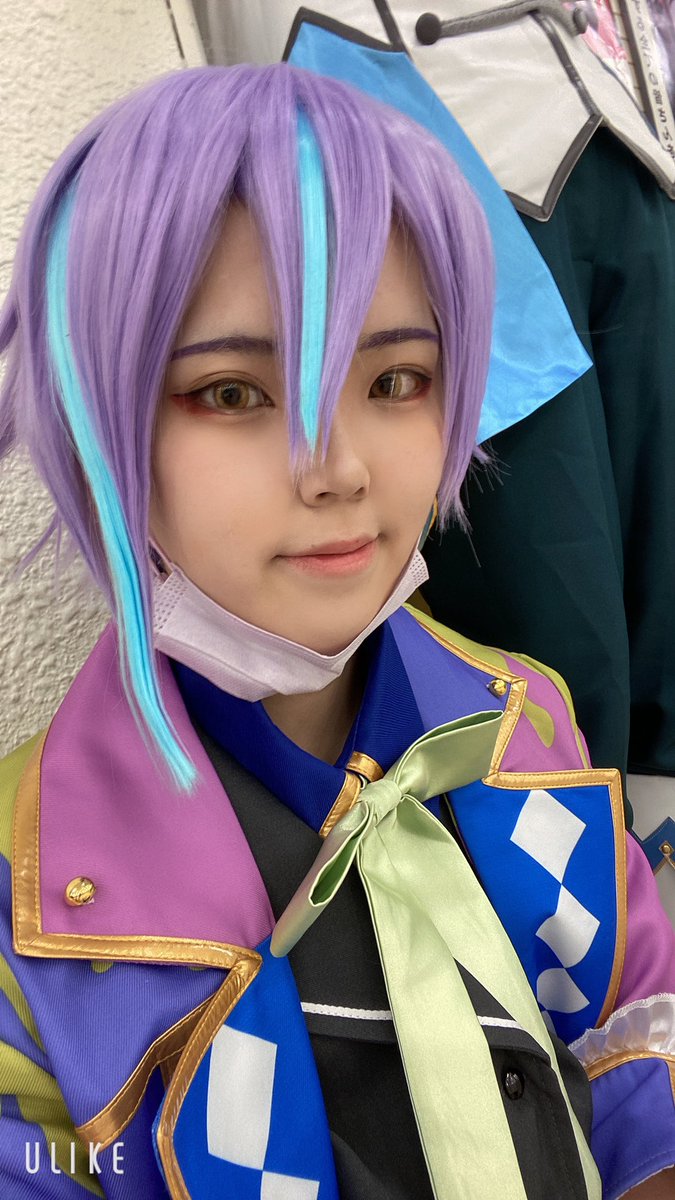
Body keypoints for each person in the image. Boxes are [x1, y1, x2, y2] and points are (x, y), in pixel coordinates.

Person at [0, 64, 673, 1200]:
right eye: (232, 393)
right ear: (100, 422)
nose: (340, 468)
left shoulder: (528, 720)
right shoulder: (18, 900)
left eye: (397, 379)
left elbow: (634, 1030)